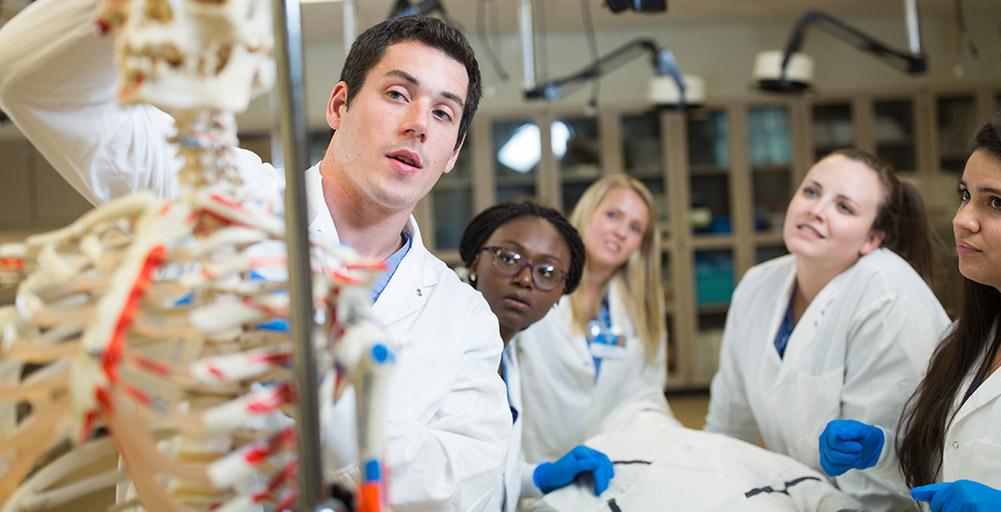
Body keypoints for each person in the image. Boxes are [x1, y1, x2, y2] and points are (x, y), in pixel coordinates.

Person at [0, 1, 511, 510]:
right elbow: (31, 82)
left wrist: (321, 400)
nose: (419, 124)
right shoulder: (216, 191)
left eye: (442, 113)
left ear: (453, 152)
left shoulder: (464, 317)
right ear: (339, 106)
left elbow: (462, 481)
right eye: (397, 94)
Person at [704, 148, 951, 511]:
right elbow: (728, 428)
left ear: (872, 238)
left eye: (844, 207)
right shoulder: (757, 285)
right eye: (811, 191)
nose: (816, 210)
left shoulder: (888, 296)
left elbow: (881, 483)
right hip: (797, 498)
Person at [818, 119, 1001, 511]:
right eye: (966, 195)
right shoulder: (966, 340)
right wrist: (880, 451)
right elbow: (947, 470)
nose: (962, 219)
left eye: (997, 203)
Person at [458, 202, 614, 512]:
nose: (526, 279)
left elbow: (491, 474)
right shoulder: (441, 342)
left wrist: (540, 476)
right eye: (509, 258)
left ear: (559, 296)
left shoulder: (507, 355)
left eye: (547, 272)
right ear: (475, 263)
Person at [515, 175, 673, 465]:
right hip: (537, 464)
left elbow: (648, 392)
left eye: (635, 228)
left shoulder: (642, 303)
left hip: (614, 461)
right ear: (588, 212)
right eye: (613, 215)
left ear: (641, 244)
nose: (621, 232)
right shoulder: (534, 282)